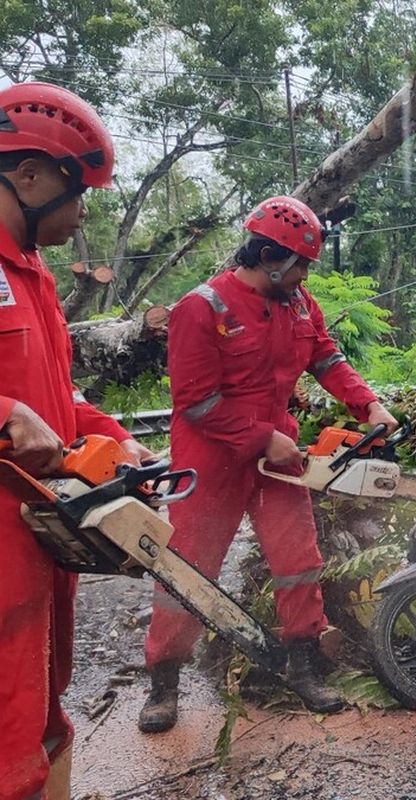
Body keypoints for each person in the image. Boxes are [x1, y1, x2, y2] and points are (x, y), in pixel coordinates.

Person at [139, 196, 399, 734]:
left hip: (278, 450)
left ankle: (303, 666)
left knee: (298, 557)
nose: (304, 275)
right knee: (188, 569)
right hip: (212, 454)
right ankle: (164, 680)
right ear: (265, 254)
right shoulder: (202, 307)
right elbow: (196, 402)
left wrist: (366, 403)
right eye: (299, 264)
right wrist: (261, 438)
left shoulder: (299, 304)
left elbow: (326, 357)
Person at [0, 82, 156, 800]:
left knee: (42, 717)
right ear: (27, 174)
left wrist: (115, 440)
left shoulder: (31, 276)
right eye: (78, 187)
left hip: (38, 539)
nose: (84, 207)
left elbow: (58, 401)